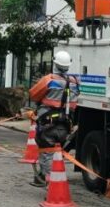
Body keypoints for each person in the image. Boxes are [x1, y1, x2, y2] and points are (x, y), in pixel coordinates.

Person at [28, 50, 80, 186]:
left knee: (46, 152)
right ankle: (41, 177)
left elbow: (33, 94)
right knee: (57, 153)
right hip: (65, 125)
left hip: (47, 123)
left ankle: (52, 184)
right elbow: (74, 103)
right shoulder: (74, 82)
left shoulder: (49, 80)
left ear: (55, 63)